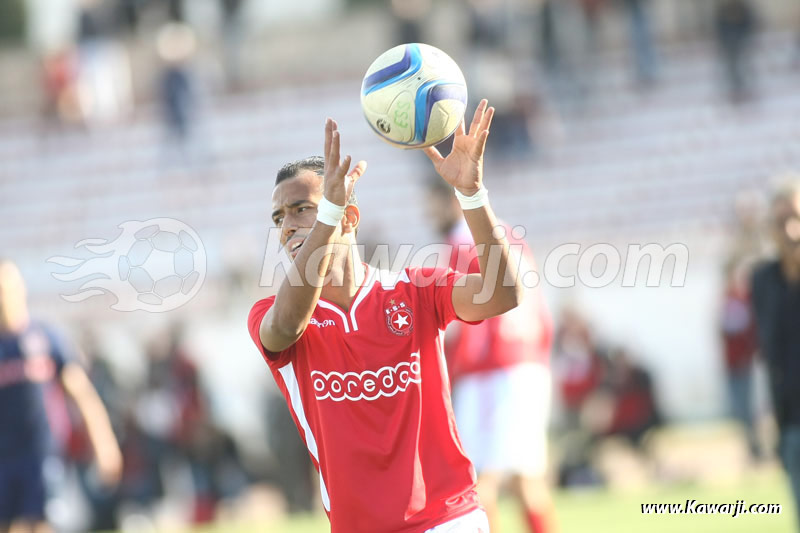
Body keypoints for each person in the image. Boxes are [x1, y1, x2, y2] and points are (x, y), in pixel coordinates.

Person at [247, 100, 522, 532]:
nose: (287, 226)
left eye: (303, 208)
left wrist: (471, 196)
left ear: (349, 217)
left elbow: (502, 293)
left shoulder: (415, 289)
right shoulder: (273, 313)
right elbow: (284, 327)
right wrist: (326, 216)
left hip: (448, 517)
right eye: (279, 217)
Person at [428, 179, 557, 533]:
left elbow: (471, 321)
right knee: (524, 478)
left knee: (476, 481)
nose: (429, 213)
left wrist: (450, 373)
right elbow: (542, 312)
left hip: (491, 371)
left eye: (433, 203)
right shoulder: (509, 236)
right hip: (529, 365)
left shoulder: (461, 241)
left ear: (453, 202)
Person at [0, 260, 122, 533]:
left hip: (42, 455)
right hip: (2, 458)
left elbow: (82, 394)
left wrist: (105, 444)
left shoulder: (45, 337)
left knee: (42, 524)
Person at [751, 180, 800, 529]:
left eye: (795, 217)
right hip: (791, 419)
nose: (790, 230)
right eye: (781, 220)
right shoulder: (764, 279)